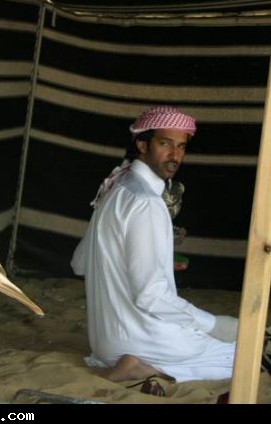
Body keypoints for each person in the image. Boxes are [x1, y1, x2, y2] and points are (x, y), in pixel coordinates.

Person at [71, 106, 238, 383]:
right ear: (142, 144)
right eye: (165, 144)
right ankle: (146, 366)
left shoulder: (116, 187)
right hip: (147, 340)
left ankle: (140, 368)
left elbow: (80, 263)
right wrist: (215, 324)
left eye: (181, 146)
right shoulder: (146, 202)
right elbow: (151, 296)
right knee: (250, 357)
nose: (175, 156)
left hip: (104, 344)